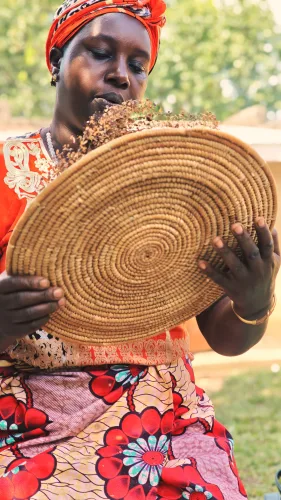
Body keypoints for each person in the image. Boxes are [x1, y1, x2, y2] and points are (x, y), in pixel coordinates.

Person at [0, 1, 279, 498]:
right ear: (57, 61)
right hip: (33, 424)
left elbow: (226, 337)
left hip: (164, 420)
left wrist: (254, 304)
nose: (121, 76)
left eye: (137, 65)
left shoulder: (178, 183)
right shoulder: (5, 170)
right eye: (100, 53)